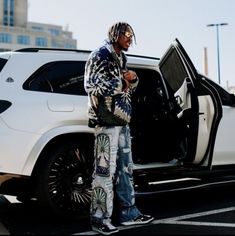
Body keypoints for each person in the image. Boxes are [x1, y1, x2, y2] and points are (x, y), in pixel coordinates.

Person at [84, 22, 154, 235]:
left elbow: (126, 87)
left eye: (131, 35)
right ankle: (99, 218)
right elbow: (90, 85)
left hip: (121, 121)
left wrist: (132, 79)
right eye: (128, 35)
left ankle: (129, 214)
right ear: (115, 35)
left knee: (125, 170)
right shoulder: (99, 55)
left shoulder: (120, 57)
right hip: (105, 122)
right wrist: (121, 80)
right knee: (104, 172)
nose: (130, 39)